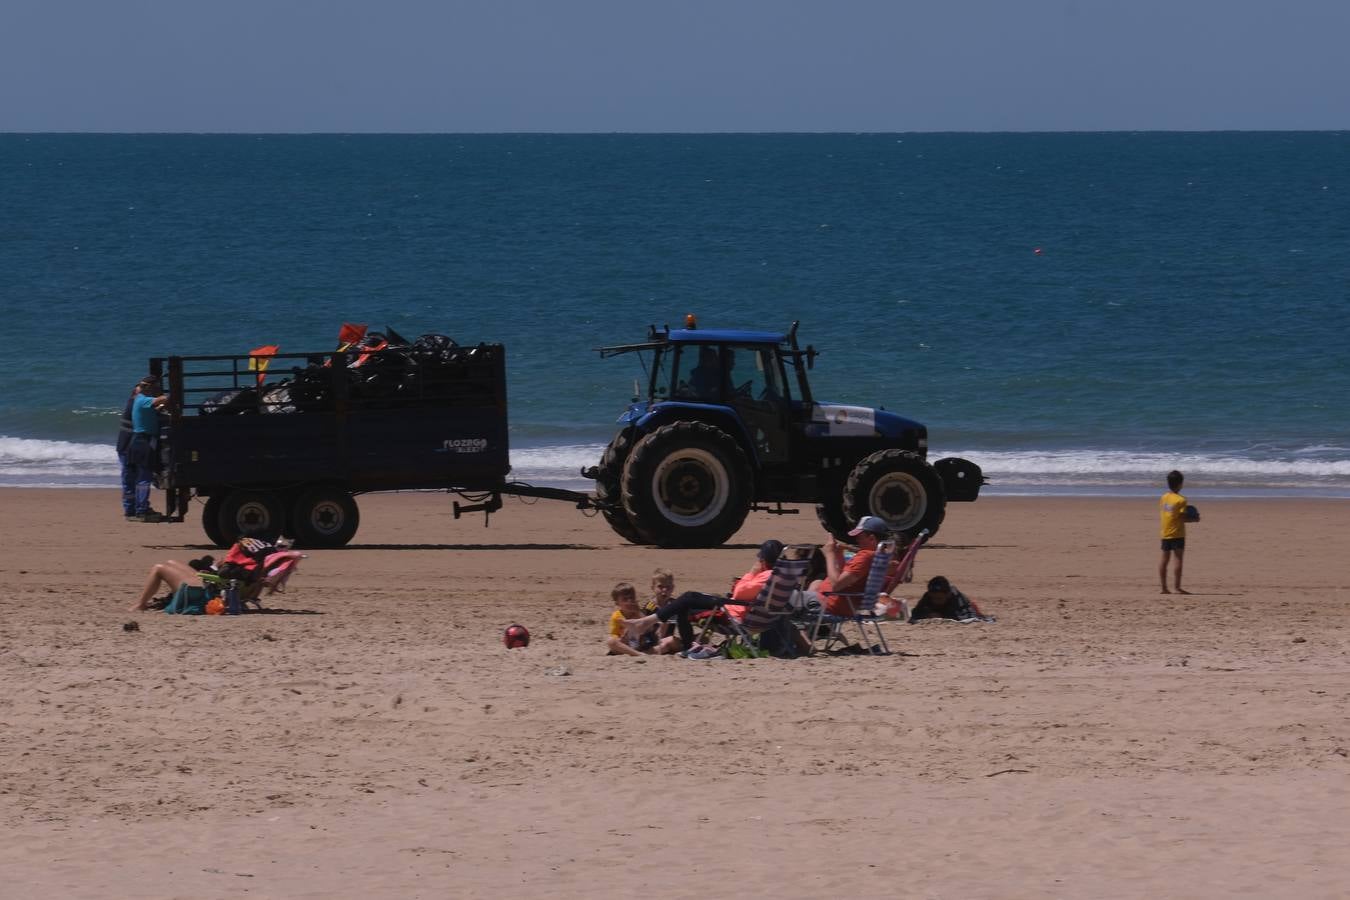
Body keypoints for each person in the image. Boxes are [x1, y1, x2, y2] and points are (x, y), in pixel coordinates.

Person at [625, 539, 805, 658]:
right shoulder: (783, 576)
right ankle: (656, 627)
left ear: (764, 560)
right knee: (685, 602)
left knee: (687, 597)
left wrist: (752, 572)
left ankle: (648, 623)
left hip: (734, 615)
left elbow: (739, 593)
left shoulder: (766, 576)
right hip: (757, 617)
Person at [806, 516, 899, 616]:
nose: (857, 540)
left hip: (828, 604)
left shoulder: (866, 556)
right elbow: (845, 580)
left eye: (859, 537)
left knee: (788, 600)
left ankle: (815, 629)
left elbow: (836, 585)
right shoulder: (882, 557)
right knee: (816, 584)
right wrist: (839, 555)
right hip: (841, 603)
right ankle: (820, 630)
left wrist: (829, 554)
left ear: (871, 538)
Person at [126, 375, 169, 521]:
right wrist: (171, 395)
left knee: (141, 477)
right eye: (155, 387)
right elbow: (162, 400)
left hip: (138, 441)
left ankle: (141, 507)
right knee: (144, 477)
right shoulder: (144, 400)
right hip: (144, 441)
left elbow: (154, 408)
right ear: (149, 387)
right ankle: (142, 509)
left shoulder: (139, 400)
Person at [606, 582, 679, 657]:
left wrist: (638, 612)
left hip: (642, 643)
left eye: (632, 598)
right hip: (627, 645)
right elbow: (614, 633)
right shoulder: (617, 616)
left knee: (669, 643)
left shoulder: (638, 612)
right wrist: (620, 638)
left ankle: (641, 653)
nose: (629, 601)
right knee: (611, 641)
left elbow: (650, 628)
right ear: (617, 603)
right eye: (625, 599)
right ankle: (638, 654)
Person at [115, 378, 149, 519]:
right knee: (140, 478)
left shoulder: (131, 402)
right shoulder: (137, 403)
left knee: (128, 480)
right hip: (130, 447)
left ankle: (130, 509)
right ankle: (140, 507)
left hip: (124, 446)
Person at [1159, 469, 1192, 595]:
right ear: (1180, 484)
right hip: (1177, 533)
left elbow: (1168, 513)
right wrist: (1194, 519)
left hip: (1165, 532)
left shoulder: (1164, 497)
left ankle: (1164, 588)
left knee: (1164, 560)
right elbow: (1183, 518)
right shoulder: (1181, 500)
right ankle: (1177, 587)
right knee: (1178, 560)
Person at [908, 575, 993, 623]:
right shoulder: (928, 596)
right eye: (933, 598)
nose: (936, 601)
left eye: (939, 598)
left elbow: (968, 616)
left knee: (976, 612)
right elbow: (915, 613)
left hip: (957, 611)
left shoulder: (957, 598)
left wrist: (942, 617)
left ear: (948, 594)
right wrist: (927, 615)